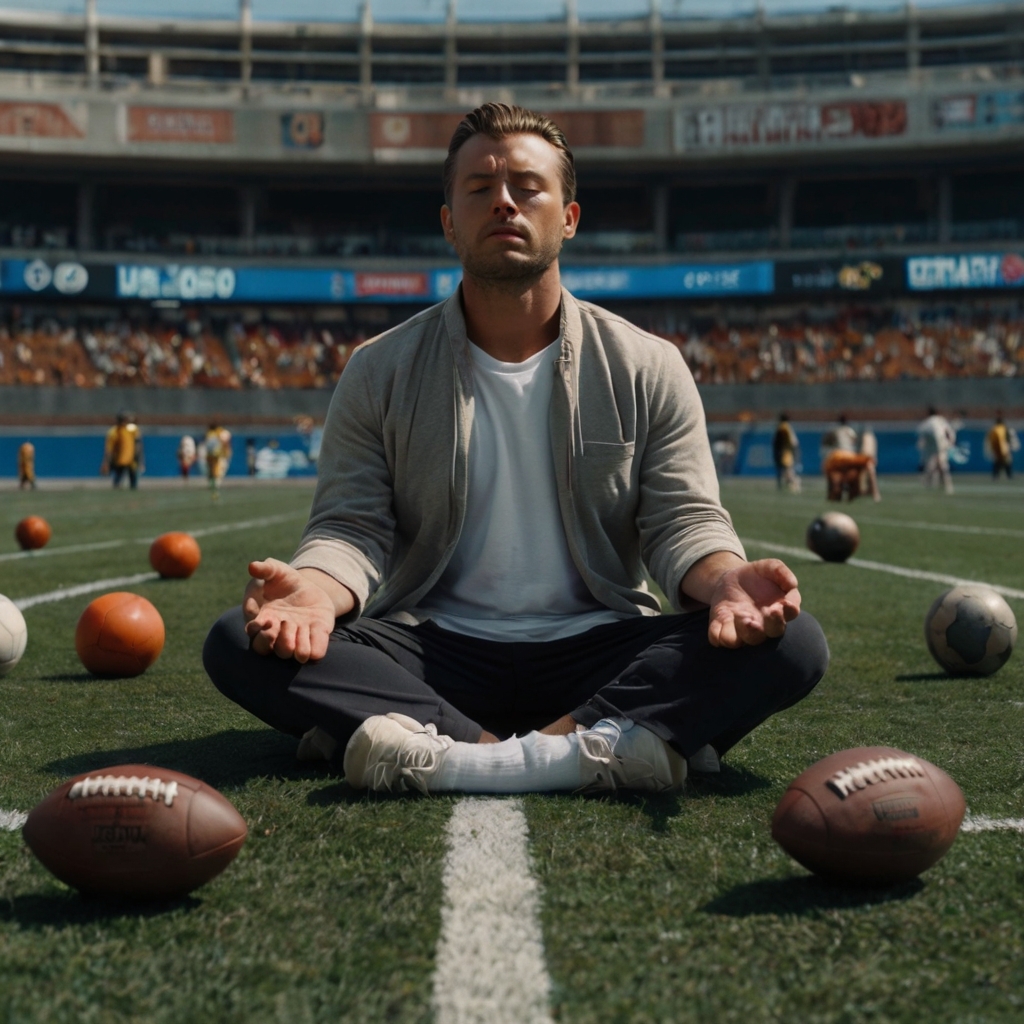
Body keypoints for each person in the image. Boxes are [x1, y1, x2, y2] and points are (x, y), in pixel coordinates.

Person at [203, 103, 828, 798]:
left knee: (791, 645)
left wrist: (724, 582)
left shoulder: (648, 363)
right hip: (431, 648)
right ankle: (611, 743)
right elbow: (352, 526)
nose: (503, 200)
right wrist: (315, 596)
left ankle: (429, 745)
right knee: (240, 641)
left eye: (527, 187)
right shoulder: (379, 368)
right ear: (448, 222)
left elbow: (683, 521)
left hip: (599, 642)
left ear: (568, 217)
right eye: (478, 188)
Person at [917, 406, 956, 494]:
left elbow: (921, 433)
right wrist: (950, 442)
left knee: (934, 466)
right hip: (941, 444)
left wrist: (922, 444)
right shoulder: (941, 420)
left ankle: (930, 484)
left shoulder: (928, 422)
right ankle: (946, 486)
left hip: (934, 446)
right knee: (939, 465)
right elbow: (949, 432)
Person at [100, 411, 142, 489]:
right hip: (120, 459)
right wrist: (106, 461)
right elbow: (109, 449)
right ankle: (118, 488)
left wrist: (138, 457)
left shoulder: (131, 429)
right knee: (119, 478)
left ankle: (129, 489)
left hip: (130, 459)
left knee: (132, 480)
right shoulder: (114, 431)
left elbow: (137, 444)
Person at [772, 414, 800, 493]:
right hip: (786, 452)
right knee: (787, 469)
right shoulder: (786, 427)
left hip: (783, 452)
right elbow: (794, 442)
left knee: (785, 469)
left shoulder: (782, 427)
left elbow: (778, 442)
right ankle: (790, 484)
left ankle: (789, 484)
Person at [204, 423, 233, 497]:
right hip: (217, 455)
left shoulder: (212, 433)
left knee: (214, 474)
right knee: (216, 474)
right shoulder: (218, 433)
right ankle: (214, 489)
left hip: (215, 455)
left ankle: (214, 488)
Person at [986, 413, 1015, 480]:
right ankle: (1008, 475)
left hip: (996, 448)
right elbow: (1008, 439)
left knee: (997, 462)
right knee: (1006, 462)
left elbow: (990, 439)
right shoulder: (1004, 429)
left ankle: (996, 475)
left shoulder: (993, 429)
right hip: (1004, 448)